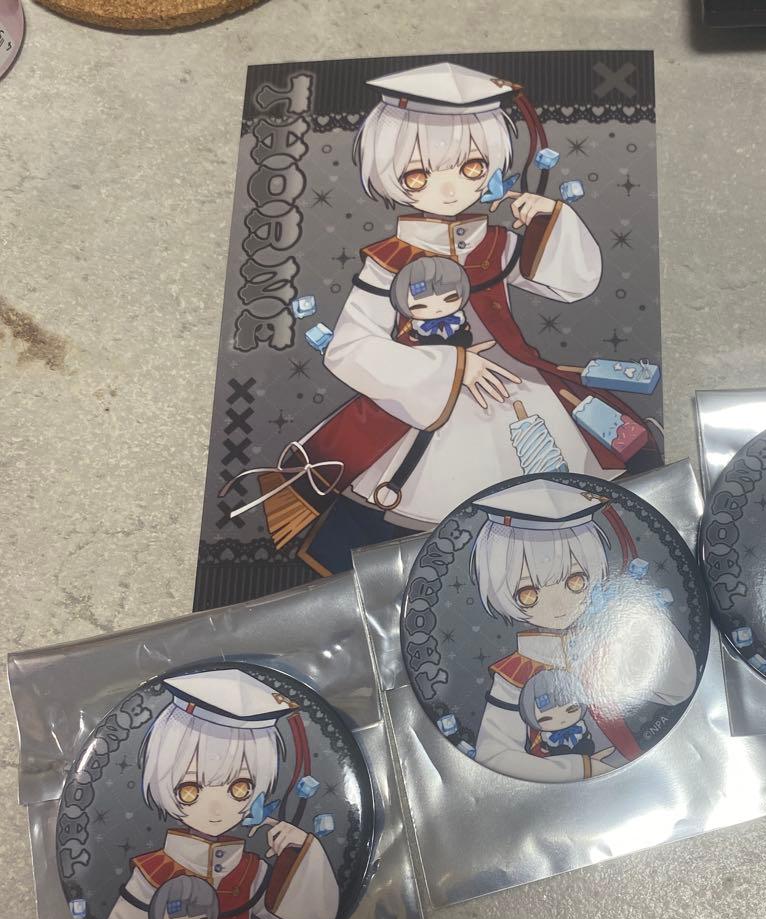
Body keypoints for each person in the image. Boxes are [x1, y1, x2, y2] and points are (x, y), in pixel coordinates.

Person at [243, 62, 658, 574]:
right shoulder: (389, 261)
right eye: (419, 175)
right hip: (431, 399)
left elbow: (571, 285)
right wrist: (451, 367)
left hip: (519, 387)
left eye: (472, 168)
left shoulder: (495, 243)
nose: (447, 190)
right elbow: (349, 347)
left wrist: (551, 221)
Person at [97, 669, 339, 919]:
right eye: (189, 790)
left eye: (240, 788)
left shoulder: (249, 870)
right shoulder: (154, 873)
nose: (215, 809)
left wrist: (303, 851)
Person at [470, 479, 697, 781]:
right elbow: (493, 754)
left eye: (575, 580)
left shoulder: (608, 637)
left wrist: (645, 616)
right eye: (528, 593)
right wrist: (583, 769)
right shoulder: (516, 673)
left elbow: (679, 689)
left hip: (655, 771)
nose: (558, 604)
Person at [389, 255, 474, 348]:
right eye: (420, 306)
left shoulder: (458, 318)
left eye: (450, 299)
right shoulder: (419, 325)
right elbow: (413, 337)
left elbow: (465, 328)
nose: (437, 309)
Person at [518, 668, 599, 760]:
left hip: (583, 756)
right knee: (559, 751)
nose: (562, 719)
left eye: (571, 710)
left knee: (586, 745)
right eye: (547, 718)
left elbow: (586, 736)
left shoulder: (579, 727)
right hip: (559, 759)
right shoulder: (547, 736)